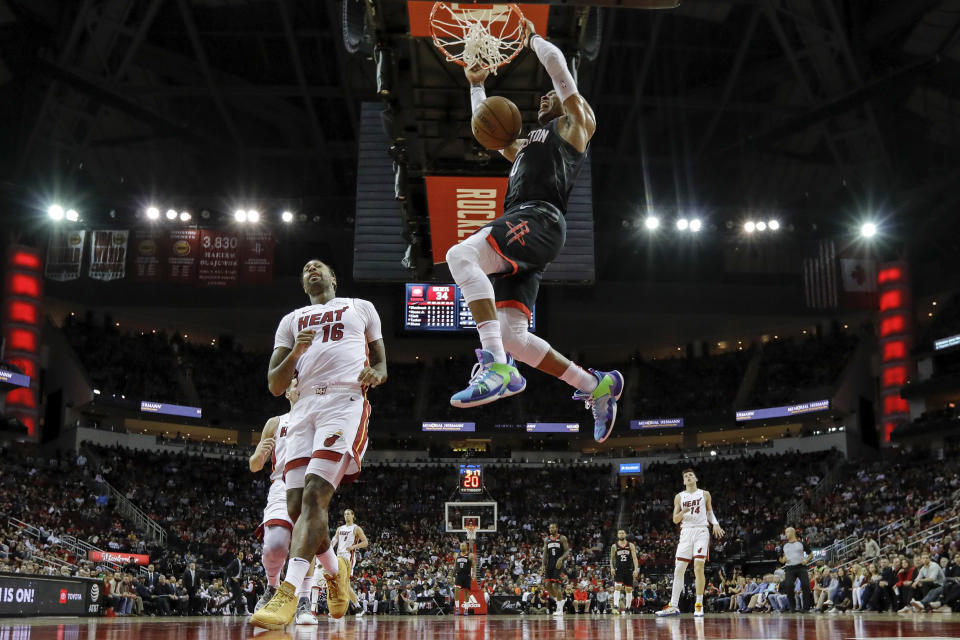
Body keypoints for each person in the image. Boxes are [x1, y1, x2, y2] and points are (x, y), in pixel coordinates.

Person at [448, 20, 623, 442]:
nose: (545, 96)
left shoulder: (575, 124)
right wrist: (476, 86)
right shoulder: (525, 144)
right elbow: (485, 128)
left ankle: (494, 364)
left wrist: (533, 39)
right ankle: (594, 386)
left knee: (460, 255)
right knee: (514, 334)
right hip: (531, 228)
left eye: (551, 96)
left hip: (540, 218)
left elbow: (559, 71)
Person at [252, 259, 387, 630]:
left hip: (343, 402)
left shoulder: (360, 307)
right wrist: (295, 352)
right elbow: (276, 385)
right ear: (303, 283)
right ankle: (336, 569)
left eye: (320, 266)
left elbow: (381, 362)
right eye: (306, 268)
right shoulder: (292, 320)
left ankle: (289, 593)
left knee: (315, 495)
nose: (312, 269)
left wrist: (378, 372)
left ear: (333, 277)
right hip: (304, 407)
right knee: (297, 508)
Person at [249, 379, 298, 614]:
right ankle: (271, 585)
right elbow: (255, 465)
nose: (299, 388)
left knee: (305, 546)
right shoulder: (276, 423)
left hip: (310, 488)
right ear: (287, 393)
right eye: (295, 385)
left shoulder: (319, 417)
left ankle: (303, 601)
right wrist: (259, 454)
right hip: (282, 486)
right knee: (275, 544)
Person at [656, 469, 725, 617]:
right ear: (683, 481)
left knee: (698, 567)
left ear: (696, 478)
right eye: (685, 476)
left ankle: (698, 604)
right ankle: (673, 606)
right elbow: (675, 519)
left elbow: (709, 512)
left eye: (690, 475)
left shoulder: (704, 494)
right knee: (679, 569)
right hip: (686, 532)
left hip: (701, 530)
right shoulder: (679, 497)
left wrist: (716, 523)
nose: (688, 477)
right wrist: (683, 512)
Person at [779, 527, 812, 612]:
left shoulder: (801, 543)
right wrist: (783, 560)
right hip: (789, 568)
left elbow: (811, 554)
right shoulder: (783, 545)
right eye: (785, 532)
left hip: (801, 567)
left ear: (793, 533)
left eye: (787, 532)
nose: (785, 534)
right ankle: (792, 607)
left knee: (806, 585)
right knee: (789, 586)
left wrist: (806, 560)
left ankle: (806, 608)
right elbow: (780, 559)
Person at [541, 523, 570, 616]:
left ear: (557, 528)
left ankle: (560, 609)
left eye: (553, 527)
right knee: (547, 584)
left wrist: (561, 559)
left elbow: (567, 552)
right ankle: (560, 601)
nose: (551, 529)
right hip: (550, 564)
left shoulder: (562, 538)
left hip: (558, 564)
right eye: (550, 528)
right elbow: (545, 554)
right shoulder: (547, 539)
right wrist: (543, 564)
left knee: (555, 586)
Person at [610, 529, 639, 615]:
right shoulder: (614, 546)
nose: (621, 534)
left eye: (623, 533)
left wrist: (636, 569)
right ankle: (615, 606)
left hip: (628, 569)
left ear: (625, 534)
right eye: (619, 533)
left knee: (628, 589)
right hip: (618, 569)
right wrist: (612, 568)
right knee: (617, 587)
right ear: (617, 535)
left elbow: (634, 558)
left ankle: (628, 607)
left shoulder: (631, 545)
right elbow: (612, 559)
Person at [333, 508, 369, 576]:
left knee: (346, 578)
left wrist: (353, 547)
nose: (346, 515)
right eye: (345, 514)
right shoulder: (340, 528)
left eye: (348, 514)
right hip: (339, 555)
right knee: (338, 578)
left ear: (353, 515)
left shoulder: (356, 528)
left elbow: (365, 542)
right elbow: (333, 541)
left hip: (348, 555)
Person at [454, 541, 475, 613]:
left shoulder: (470, 555)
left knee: (466, 592)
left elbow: (473, 565)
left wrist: (473, 574)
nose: (461, 547)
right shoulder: (457, 554)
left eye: (463, 546)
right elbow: (455, 565)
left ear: (466, 547)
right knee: (456, 590)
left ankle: (466, 609)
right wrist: (453, 573)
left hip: (467, 575)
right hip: (459, 575)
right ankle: (457, 608)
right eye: (461, 546)